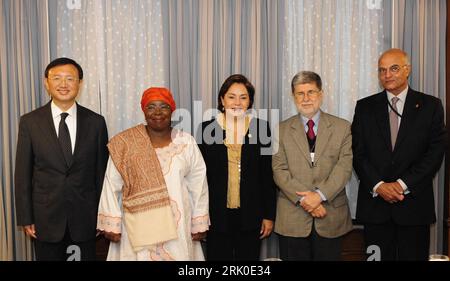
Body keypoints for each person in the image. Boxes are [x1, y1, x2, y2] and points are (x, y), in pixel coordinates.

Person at [352, 48, 447, 261]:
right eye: (382, 70)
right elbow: (358, 153)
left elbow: (435, 153)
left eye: (394, 68)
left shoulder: (430, 106)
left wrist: (402, 184)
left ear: (407, 70)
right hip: (375, 208)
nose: (387, 75)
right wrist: (379, 185)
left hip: (414, 207)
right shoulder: (364, 107)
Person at [97, 87, 209, 261]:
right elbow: (111, 184)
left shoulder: (186, 142)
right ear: (144, 110)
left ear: (172, 109)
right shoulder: (125, 143)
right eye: (151, 107)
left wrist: (199, 221)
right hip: (136, 226)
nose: (157, 112)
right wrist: (112, 223)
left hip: (177, 226)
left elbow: (199, 184)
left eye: (163, 106)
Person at [14, 57, 109, 261]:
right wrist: (26, 217)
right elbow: (23, 173)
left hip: (86, 218)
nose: (63, 84)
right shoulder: (30, 122)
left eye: (70, 79)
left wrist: (104, 216)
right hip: (45, 218)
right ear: (46, 83)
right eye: (56, 78)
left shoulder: (96, 123)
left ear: (79, 83)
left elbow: (101, 174)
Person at [272, 71, 353, 261]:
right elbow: (279, 170)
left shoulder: (342, 127)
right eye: (300, 93)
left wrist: (319, 196)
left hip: (330, 217)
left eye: (311, 92)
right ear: (293, 97)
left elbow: (344, 167)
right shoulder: (281, 130)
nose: (306, 98)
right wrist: (307, 201)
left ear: (321, 94)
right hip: (292, 219)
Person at [198, 74, 276, 261]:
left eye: (243, 97)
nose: (237, 102)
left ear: (249, 102)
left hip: (251, 215)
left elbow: (267, 175)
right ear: (222, 99)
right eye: (231, 96)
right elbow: (199, 178)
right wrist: (199, 215)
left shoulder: (261, 128)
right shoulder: (207, 129)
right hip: (215, 216)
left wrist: (268, 215)